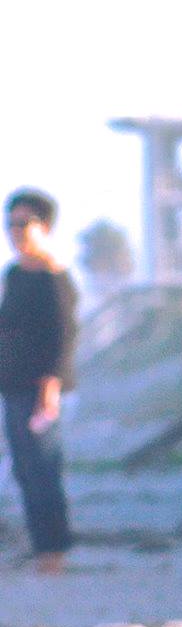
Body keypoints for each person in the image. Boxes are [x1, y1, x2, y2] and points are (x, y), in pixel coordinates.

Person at [1, 187, 79, 574]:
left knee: (45, 468)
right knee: (24, 469)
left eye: (23, 223)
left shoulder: (54, 276)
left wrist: (51, 387)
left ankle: (54, 551)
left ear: (44, 227)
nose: (15, 231)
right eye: (10, 224)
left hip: (42, 390)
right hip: (13, 386)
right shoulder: (14, 274)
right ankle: (41, 548)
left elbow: (63, 334)